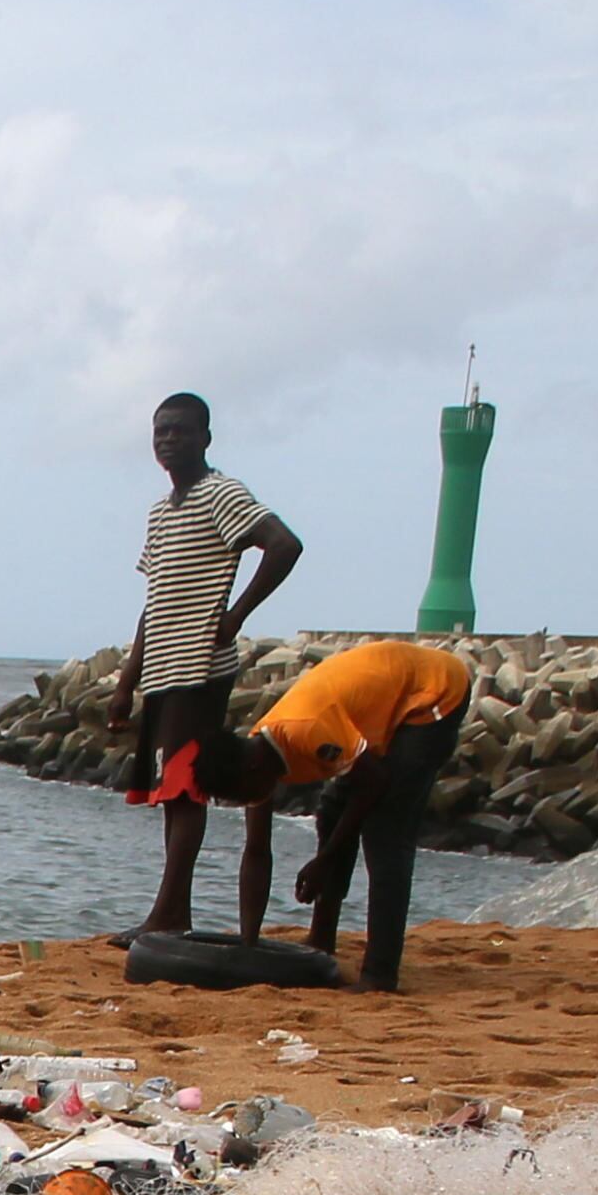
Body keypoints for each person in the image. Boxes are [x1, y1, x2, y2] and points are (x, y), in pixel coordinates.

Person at [106, 392, 301, 939]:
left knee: (185, 787)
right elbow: (156, 597)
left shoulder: (222, 494)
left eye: (181, 431)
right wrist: (127, 681)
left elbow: (283, 545)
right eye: (160, 431)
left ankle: (167, 915)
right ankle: (173, 912)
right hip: (165, 670)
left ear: (205, 438)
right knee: (172, 792)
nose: (168, 440)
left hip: (200, 668)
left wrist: (235, 615)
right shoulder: (160, 511)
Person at [197, 636, 470, 990]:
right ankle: (322, 939)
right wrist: (248, 947)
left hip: (434, 690)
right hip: (378, 703)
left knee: (386, 834)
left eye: (243, 796)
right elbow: (257, 851)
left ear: (250, 771)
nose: (248, 802)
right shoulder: (256, 755)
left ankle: (379, 974)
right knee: (331, 811)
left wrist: (324, 860)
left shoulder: (305, 730)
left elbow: (373, 781)